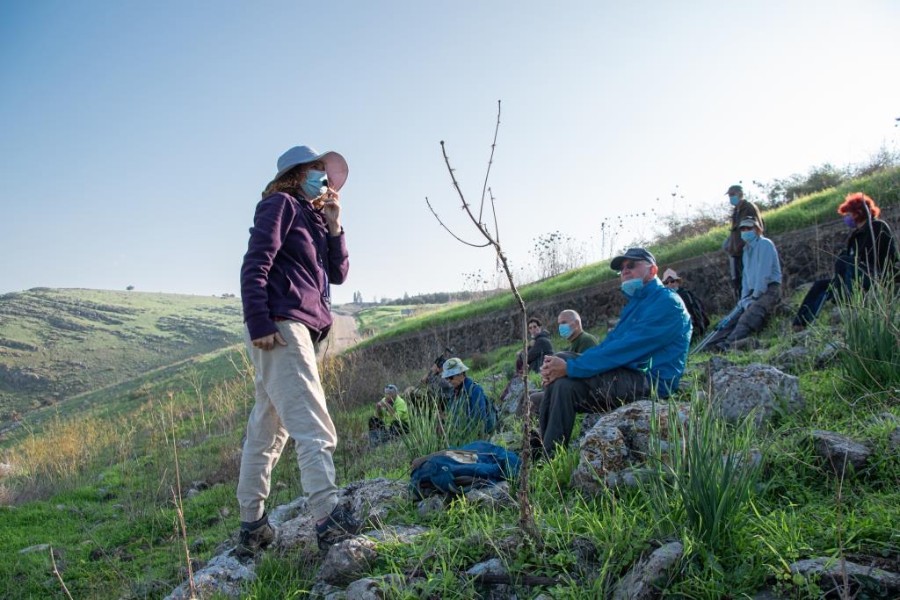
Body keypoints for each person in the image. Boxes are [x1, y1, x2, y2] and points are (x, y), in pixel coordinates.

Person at [236, 144, 360, 557]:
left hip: (301, 329)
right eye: (317, 170)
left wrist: (334, 226)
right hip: (283, 326)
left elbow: (338, 274)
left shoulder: (311, 217)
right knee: (312, 423)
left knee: (268, 429)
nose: (324, 178)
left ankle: (252, 525)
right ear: (296, 173)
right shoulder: (280, 204)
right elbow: (256, 263)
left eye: (326, 172)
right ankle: (328, 517)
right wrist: (259, 323)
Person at [537, 248, 691, 456]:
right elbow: (609, 345)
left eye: (631, 266)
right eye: (621, 269)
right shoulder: (636, 305)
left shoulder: (667, 303)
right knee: (562, 371)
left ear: (653, 270)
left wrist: (571, 368)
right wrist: (560, 367)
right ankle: (546, 450)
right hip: (627, 373)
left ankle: (548, 454)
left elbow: (624, 349)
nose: (624, 271)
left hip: (650, 381)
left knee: (565, 375)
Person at [793, 192, 899, 329]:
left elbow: (889, 256)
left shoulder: (877, 227)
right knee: (820, 285)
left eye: (848, 214)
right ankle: (800, 323)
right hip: (853, 277)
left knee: (845, 260)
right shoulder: (855, 236)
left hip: (875, 276)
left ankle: (848, 299)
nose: (847, 218)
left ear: (858, 212)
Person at [705, 217, 782, 351]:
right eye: (743, 229)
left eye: (748, 229)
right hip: (752, 292)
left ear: (757, 229)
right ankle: (710, 345)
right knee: (729, 320)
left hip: (769, 289)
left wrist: (755, 296)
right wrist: (744, 298)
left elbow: (763, 274)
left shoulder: (765, 244)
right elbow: (746, 278)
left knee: (749, 316)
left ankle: (728, 345)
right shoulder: (746, 251)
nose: (745, 232)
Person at [722, 184, 764, 298]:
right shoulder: (736, 210)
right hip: (738, 252)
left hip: (747, 250)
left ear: (740, 194)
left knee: (751, 281)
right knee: (740, 284)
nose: (730, 198)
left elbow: (753, 228)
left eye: (732, 195)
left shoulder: (749, 207)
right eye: (729, 195)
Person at [442, 357, 496, 439]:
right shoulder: (454, 394)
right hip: (458, 439)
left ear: (461, 374)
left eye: (450, 377)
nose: (448, 381)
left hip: (474, 441)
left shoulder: (475, 390)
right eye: (447, 378)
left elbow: (480, 420)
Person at [662, 269, 710, 341]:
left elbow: (693, 315)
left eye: (672, 281)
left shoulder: (684, 295)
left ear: (677, 282)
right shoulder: (664, 299)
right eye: (666, 282)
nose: (669, 284)